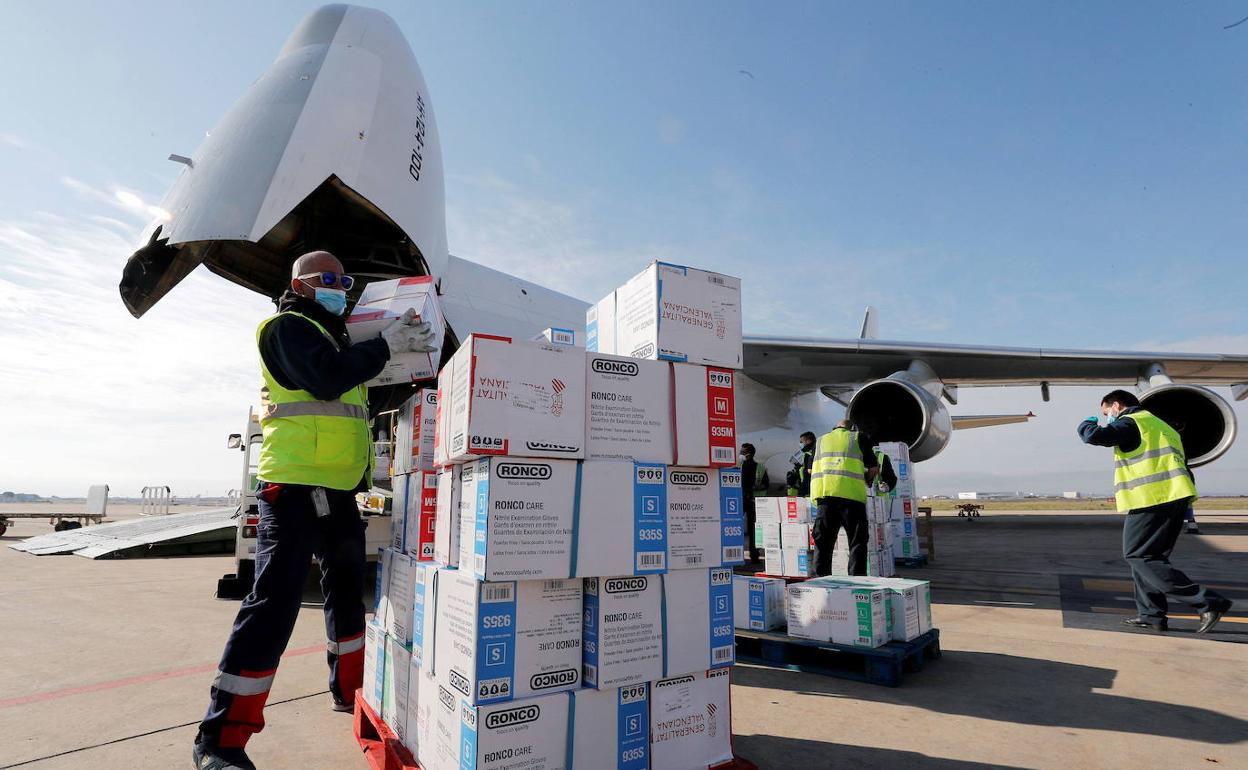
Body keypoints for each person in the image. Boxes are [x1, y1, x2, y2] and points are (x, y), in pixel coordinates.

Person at [193, 251, 435, 770]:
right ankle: (220, 740)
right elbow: (324, 380)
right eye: (329, 279)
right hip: (294, 488)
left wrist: (408, 364)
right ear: (300, 285)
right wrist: (383, 346)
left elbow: (353, 397)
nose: (341, 287)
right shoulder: (286, 329)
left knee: (348, 595)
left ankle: (350, 692)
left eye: (344, 280)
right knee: (274, 602)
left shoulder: (337, 341)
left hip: (339, 489)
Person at [1078, 389, 1231, 634]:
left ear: (1116, 406)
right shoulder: (1162, 426)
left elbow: (1095, 436)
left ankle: (1207, 602)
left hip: (1152, 498)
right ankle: (1151, 615)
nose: (1108, 417)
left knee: (1139, 556)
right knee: (1149, 559)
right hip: (1175, 498)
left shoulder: (1132, 422)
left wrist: (1087, 423)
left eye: (1106, 412)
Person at [809, 420, 879, 576]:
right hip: (852, 499)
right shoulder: (857, 438)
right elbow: (874, 467)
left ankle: (820, 581)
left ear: (835, 428)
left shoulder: (820, 441)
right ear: (852, 429)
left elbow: (809, 469)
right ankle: (857, 580)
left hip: (826, 499)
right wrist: (867, 479)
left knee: (823, 544)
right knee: (857, 543)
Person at [739, 443, 770, 562]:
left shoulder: (759, 467)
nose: (740, 453)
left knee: (753, 530)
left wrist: (753, 489)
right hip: (744, 500)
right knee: (749, 529)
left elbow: (765, 484)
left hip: (752, 501)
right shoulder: (740, 466)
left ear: (749, 453)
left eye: (742, 451)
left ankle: (754, 555)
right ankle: (752, 555)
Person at [785, 431, 816, 496]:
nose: (800, 444)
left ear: (809, 441)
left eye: (802, 442)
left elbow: (807, 473)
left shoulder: (809, 454)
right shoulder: (807, 452)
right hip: (808, 484)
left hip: (807, 486)